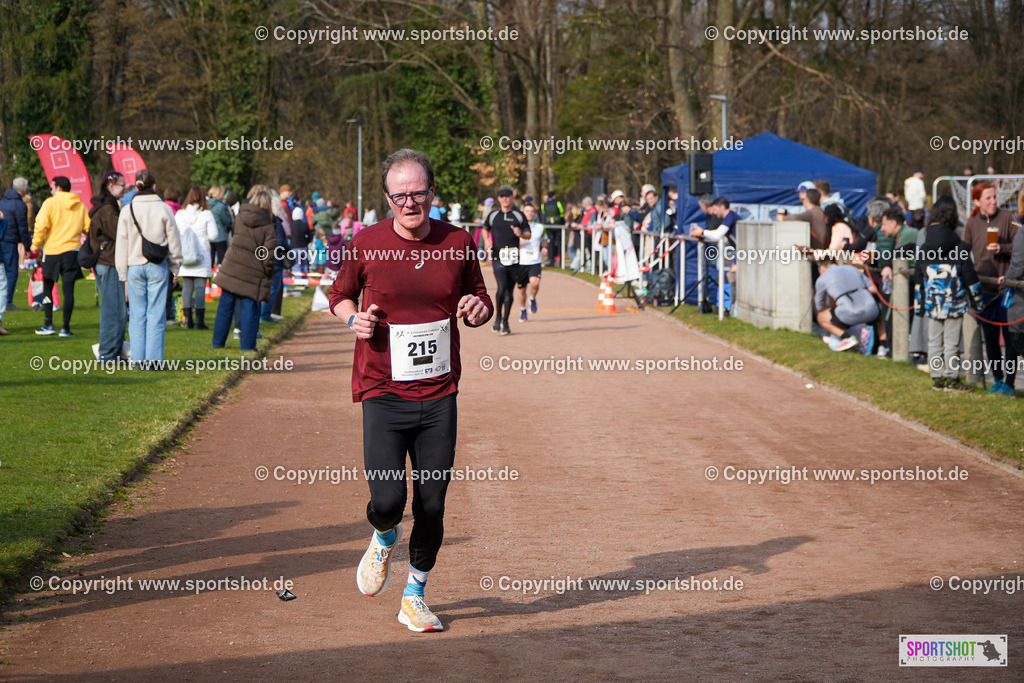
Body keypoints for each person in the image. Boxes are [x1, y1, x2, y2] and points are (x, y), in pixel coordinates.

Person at [327, 148, 492, 633]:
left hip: (439, 393)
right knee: (387, 500)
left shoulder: (458, 241)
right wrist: (351, 318)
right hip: (382, 388)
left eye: (418, 193)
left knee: (433, 503)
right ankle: (383, 536)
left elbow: (480, 296)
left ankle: (415, 593)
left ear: (432, 193)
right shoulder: (367, 242)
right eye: (400, 196)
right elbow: (339, 295)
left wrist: (478, 308)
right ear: (387, 199)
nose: (410, 203)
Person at [115, 170, 183, 367]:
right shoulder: (163, 209)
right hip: (157, 265)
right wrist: (176, 266)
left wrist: (122, 272)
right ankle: (153, 360)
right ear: (154, 186)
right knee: (156, 314)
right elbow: (174, 240)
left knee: (137, 315)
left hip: (134, 265)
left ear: (137, 187)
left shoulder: (128, 210)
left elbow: (122, 243)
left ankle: (137, 359)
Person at [962, 182, 1020, 395]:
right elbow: (963, 251)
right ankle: (997, 380)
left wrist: (1002, 248)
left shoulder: (1008, 218)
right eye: (988, 198)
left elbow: (1020, 247)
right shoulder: (971, 223)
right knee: (991, 339)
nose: (993, 201)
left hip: (1007, 290)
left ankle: (1010, 384)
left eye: (994, 197)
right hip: (985, 291)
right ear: (977, 201)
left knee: (1011, 339)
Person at [915, 199, 977, 391]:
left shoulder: (924, 249)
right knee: (951, 343)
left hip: (933, 304)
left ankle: (938, 379)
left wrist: (919, 306)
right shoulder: (961, 247)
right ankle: (952, 379)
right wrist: (978, 302)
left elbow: (919, 280)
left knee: (934, 341)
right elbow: (970, 278)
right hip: (954, 303)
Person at [211, 187, 277, 351]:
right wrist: (267, 271)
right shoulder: (268, 227)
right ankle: (247, 346)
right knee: (249, 308)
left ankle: (217, 343)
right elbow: (267, 256)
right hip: (252, 272)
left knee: (225, 306)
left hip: (232, 265)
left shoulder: (240, 217)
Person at [30, 176, 90, 337]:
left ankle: (49, 323)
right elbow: (88, 228)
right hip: (72, 251)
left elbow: (41, 224)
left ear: (58, 188)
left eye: (52, 187)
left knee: (48, 287)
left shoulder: (50, 203)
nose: (51, 190)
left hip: (52, 251)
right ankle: (66, 327)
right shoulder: (80, 205)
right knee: (68, 290)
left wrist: (35, 244)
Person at [89, 171, 128, 359]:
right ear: (110, 186)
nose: (125, 187)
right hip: (109, 262)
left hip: (107, 262)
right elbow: (121, 233)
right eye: (122, 185)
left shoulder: (108, 207)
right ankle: (108, 354)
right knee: (115, 312)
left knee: (114, 310)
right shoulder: (107, 209)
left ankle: (111, 352)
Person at [483, 185, 529, 334]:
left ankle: (505, 321)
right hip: (498, 256)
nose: (505, 199)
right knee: (501, 287)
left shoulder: (519, 215)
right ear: (498, 199)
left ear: (512, 198)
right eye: (502, 197)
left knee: (509, 291)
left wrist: (520, 233)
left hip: (514, 258)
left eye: (507, 196)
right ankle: (497, 318)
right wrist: (487, 242)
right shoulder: (493, 215)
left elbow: (528, 234)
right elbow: (485, 228)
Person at [814, 257, 882, 352]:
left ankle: (848, 338)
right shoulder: (853, 269)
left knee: (821, 317)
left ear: (821, 268)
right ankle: (882, 348)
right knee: (879, 315)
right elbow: (873, 289)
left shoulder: (822, 278)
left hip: (849, 313)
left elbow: (819, 305)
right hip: (871, 310)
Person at [175, 186, 219, 330]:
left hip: (185, 252)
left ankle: (187, 320)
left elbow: (175, 231)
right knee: (200, 287)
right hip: (202, 253)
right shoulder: (206, 214)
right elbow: (213, 235)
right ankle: (199, 321)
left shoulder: (180, 214)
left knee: (187, 287)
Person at [0, 177, 31, 311]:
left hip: (2, 239)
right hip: (11, 240)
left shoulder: (2, 202)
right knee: (12, 271)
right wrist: (27, 245)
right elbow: (22, 227)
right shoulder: (20, 205)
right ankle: (8, 302)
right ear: (24, 189)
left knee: (2, 272)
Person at [516, 203, 546, 322]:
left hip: (535, 260)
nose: (529, 213)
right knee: (522, 290)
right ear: (523, 213)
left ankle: (532, 298)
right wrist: (518, 243)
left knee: (535, 282)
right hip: (521, 261)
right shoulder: (517, 227)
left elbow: (544, 240)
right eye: (527, 211)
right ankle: (523, 309)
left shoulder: (540, 227)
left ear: (535, 213)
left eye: (532, 211)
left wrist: (544, 247)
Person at [207, 186, 233, 266]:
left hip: (208, 236)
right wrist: (230, 214)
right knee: (221, 261)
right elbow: (227, 221)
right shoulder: (221, 206)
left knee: (209, 260)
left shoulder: (206, 204)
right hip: (220, 235)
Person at [541, 190, 564, 265]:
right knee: (560, 242)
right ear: (554, 196)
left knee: (550, 243)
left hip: (548, 226)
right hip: (558, 226)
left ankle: (551, 260)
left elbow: (543, 215)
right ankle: (561, 260)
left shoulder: (544, 205)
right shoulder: (558, 203)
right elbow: (562, 214)